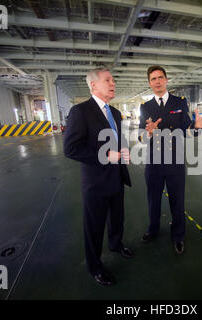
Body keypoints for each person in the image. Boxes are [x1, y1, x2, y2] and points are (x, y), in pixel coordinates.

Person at [63, 67, 133, 286]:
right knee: (94, 226)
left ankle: (115, 243)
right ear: (93, 85)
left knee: (117, 217)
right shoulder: (80, 112)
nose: (113, 84)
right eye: (107, 80)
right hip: (96, 182)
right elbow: (71, 148)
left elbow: (115, 142)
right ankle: (95, 266)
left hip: (117, 177)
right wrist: (105, 156)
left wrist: (122, 152)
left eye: (113, 80)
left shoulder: (116, 113)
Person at [138, 65, 202, 254]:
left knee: (177, 202)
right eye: (153, 79)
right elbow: (140, 136)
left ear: (166, 80)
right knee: (153, 200)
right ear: (149, 83)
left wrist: (196, 126)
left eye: (160, 77)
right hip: (154, 163)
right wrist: (147, 134)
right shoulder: (145, 107)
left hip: (175, 162)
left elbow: (187, 130)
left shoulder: (179, 102)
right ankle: (153, 230)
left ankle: (178, 235)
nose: (157, 81)